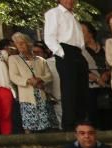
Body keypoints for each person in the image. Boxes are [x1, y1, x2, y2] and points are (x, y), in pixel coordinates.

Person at [44, 0, 87, 130]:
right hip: (66, 52)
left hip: (77, 53)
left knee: (81, 91)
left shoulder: (73, 16)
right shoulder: (54, 13)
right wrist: (62, 53)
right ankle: (68, 125)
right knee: (69, 91)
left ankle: (81, 124)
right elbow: (49, 37)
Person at [8, 33, 56, 134]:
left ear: (28, 44)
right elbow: (14, 76)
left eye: (22, 43)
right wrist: (28, 81)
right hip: (27, 96)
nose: (20, 46)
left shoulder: (40, 60)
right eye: (17, 44)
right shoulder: (14, 59)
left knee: (46, 124)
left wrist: (39, 79)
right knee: (29, 125)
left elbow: (49, 76)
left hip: (41, 94)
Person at [80, 22, 112, 131]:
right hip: (92, 89)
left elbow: (111, 64)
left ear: (90, 33)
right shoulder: (81, 52)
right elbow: (82, 70)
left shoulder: (104, 48)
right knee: (94, 117)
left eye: (83, 32)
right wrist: (98, 79)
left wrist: (107, 73)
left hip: (108, 87)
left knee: (110, 117)